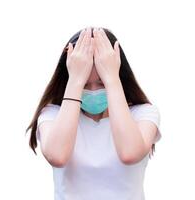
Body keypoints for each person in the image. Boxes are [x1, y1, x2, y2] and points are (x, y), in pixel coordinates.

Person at [26, 26, 162, 200]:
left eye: (101, 83)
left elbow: (130, 153)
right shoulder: (53, 115)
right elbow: (57, 156)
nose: (93, 91)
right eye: (85, 84)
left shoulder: (143, 114)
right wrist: (75, 78)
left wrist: (111, 77)